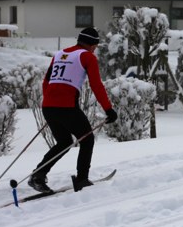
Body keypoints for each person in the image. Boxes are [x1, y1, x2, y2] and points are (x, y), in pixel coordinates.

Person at [28, 27, 118, 193]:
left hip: (48, 106)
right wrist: (108, 109)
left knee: (64, 142)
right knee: (87, 139)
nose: (95, 49)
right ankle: (82, 179)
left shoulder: (59, 54)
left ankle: (38, 175)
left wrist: (51, 103)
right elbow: (96, 85)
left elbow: (46, 82)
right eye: (95, 46)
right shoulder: (87, 56)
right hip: (67, 107)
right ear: (92, 44)